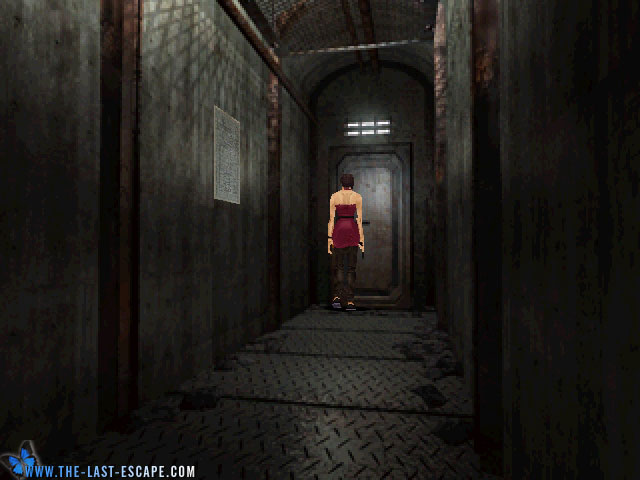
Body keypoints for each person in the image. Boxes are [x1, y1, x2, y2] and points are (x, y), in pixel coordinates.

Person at [328, 173, 364, 310]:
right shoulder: (357, 197)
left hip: (339, 229)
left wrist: (329, 238)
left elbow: (331, 219)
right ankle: (350, 301)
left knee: (338, 267)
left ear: (341, 183)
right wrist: (362, 239)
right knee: (350, 268)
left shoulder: (335, 196)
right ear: (352, 183)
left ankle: (337, 297)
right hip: (352, 230)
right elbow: (359, 220)